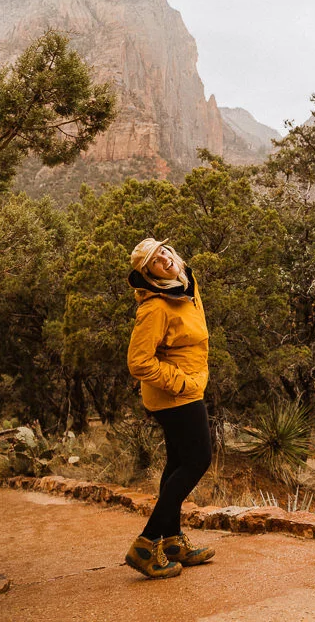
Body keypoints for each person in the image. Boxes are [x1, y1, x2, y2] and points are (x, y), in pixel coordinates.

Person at [124, 237, 216, 579]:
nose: (164, 257)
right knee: (198, 460)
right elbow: (138, 362)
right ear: (148, 274)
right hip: (175, 395)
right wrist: (181, 382)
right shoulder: (154, 307)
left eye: (164, 251)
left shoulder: (186, 286)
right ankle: (146, 544)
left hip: (189, 388)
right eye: (154, 260)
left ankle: (173, 541)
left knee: (178, 462)